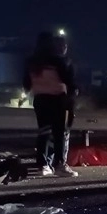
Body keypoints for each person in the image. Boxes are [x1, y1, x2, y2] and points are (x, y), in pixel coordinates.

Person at [23, 32, 78, 177]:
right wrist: (72, 99)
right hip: (59, 100)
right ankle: (60, 164)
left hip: (40, 100)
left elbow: (26, 84)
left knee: (44, 132)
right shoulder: (60, 61)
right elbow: (70, 83)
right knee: (60, 133)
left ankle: (43, 165)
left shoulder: (32, 63)